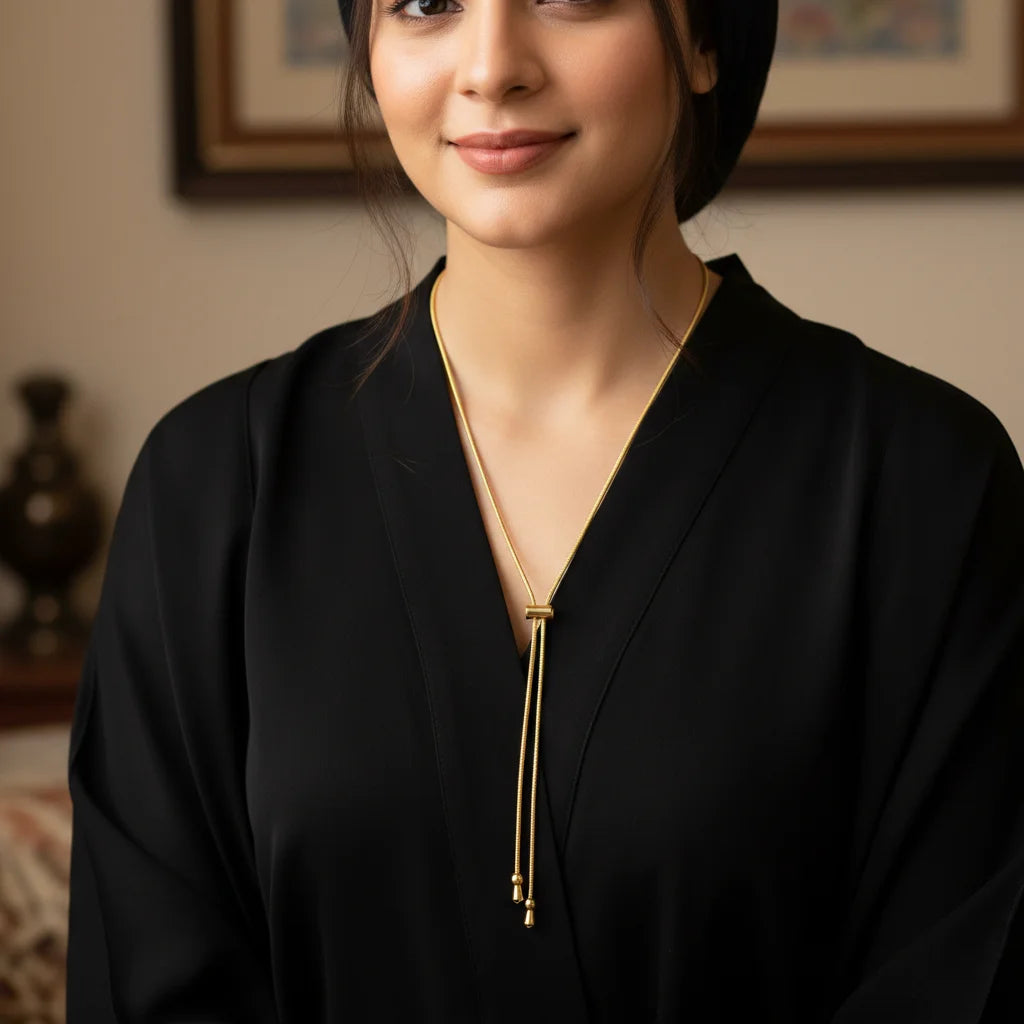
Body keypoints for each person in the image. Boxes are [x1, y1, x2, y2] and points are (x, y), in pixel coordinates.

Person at [65, 0, 1024, 1019]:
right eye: (426, 5)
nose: (491, 67)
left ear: (702, 39)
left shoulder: (922, 485)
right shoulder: (215, 488)